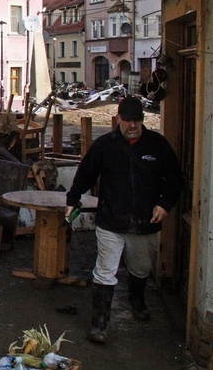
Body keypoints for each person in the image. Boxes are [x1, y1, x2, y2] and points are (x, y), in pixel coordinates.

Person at [65, 96, 183, 344]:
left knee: (141, 268)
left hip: (146, 222)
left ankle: (137, 301)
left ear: (143, 120)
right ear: (118, 118)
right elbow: (86, 173)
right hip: (111, 220)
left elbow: (175, 179)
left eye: (137, 120)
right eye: (127, 120)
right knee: (105, 271)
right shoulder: (104, 146)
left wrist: (165, 204)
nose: (132, 125)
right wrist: (72, 198)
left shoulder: (157, 145)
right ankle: (99, 324)